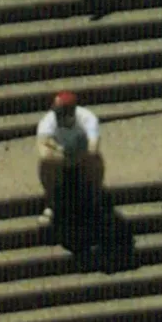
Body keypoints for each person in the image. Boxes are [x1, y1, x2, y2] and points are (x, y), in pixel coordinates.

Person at [35, 91, 105, 223]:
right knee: (45, 162)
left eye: (62, 113)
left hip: (82, 160)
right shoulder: (48, 121)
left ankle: (93, 199)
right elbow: (43, 148)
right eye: (57, 113)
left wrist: (74, 156)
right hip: (60, 161)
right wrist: (64, 156)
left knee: (95, 159)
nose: (58, 117)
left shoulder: (87, 118)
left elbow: (93, 148)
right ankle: (52, 202)